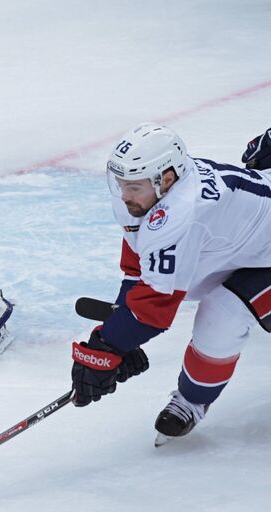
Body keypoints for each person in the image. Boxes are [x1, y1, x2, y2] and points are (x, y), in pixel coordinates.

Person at [69, 122, 271, 444]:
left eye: (133, 187)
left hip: (262, 256)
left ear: (166, 179)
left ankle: (191, 402)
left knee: (222, 315)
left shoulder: (183, 213)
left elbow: (154, 310)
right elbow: (139, 267)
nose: (124, 195)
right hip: (248, 251)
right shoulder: (150, 196)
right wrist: (122, 326)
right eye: (120, 184)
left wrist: (107, 345)